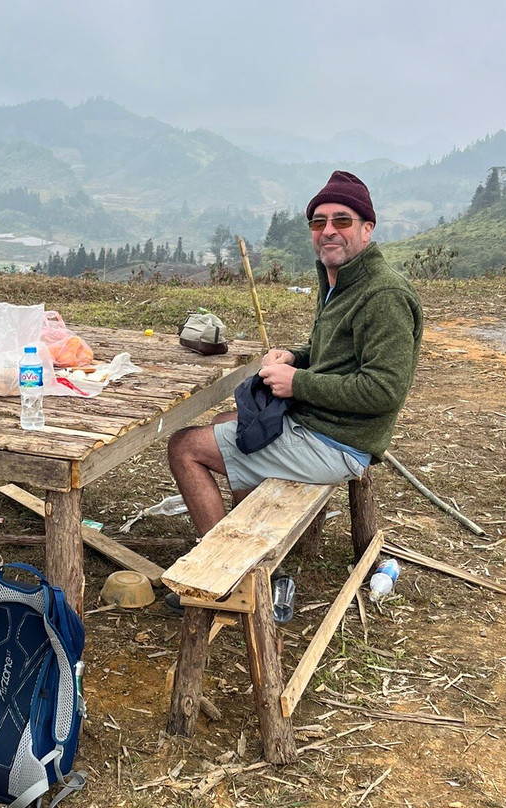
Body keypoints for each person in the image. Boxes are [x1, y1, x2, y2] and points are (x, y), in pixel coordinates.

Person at [166, 171, 423, 607]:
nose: (328, 231)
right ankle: (253, 554)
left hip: (338, 442)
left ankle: (225, 579)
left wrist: (297, 383)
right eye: (318, 222)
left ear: (367, 228)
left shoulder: (383, 295)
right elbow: (340, 354)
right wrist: (296, 357)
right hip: (323, 425)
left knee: (184, 446)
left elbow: (383, 390)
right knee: (230, 422)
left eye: (342, 221)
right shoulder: (340, 279)